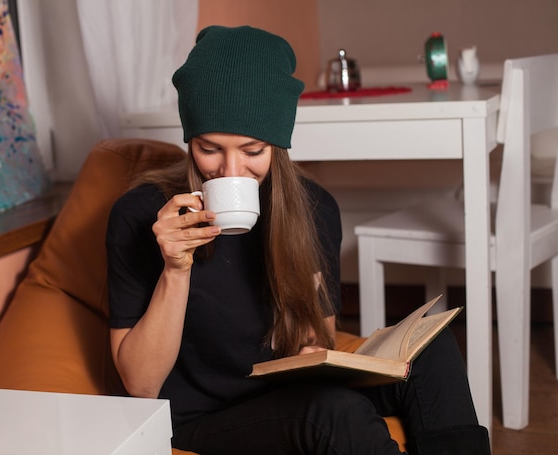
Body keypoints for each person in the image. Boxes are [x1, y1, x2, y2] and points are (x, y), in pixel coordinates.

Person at [106, 25, 491, 455]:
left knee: (432, 348)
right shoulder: (141, 216)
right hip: (199, 417)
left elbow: (319, 339)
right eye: (208, 148)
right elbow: (140, 385)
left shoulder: (314, 209)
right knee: (332, 412)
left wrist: (313, 345)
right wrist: (175, 269)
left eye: (253, 151)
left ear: (278, 144)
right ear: (189, 140)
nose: (230, 170)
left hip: (285, 392)